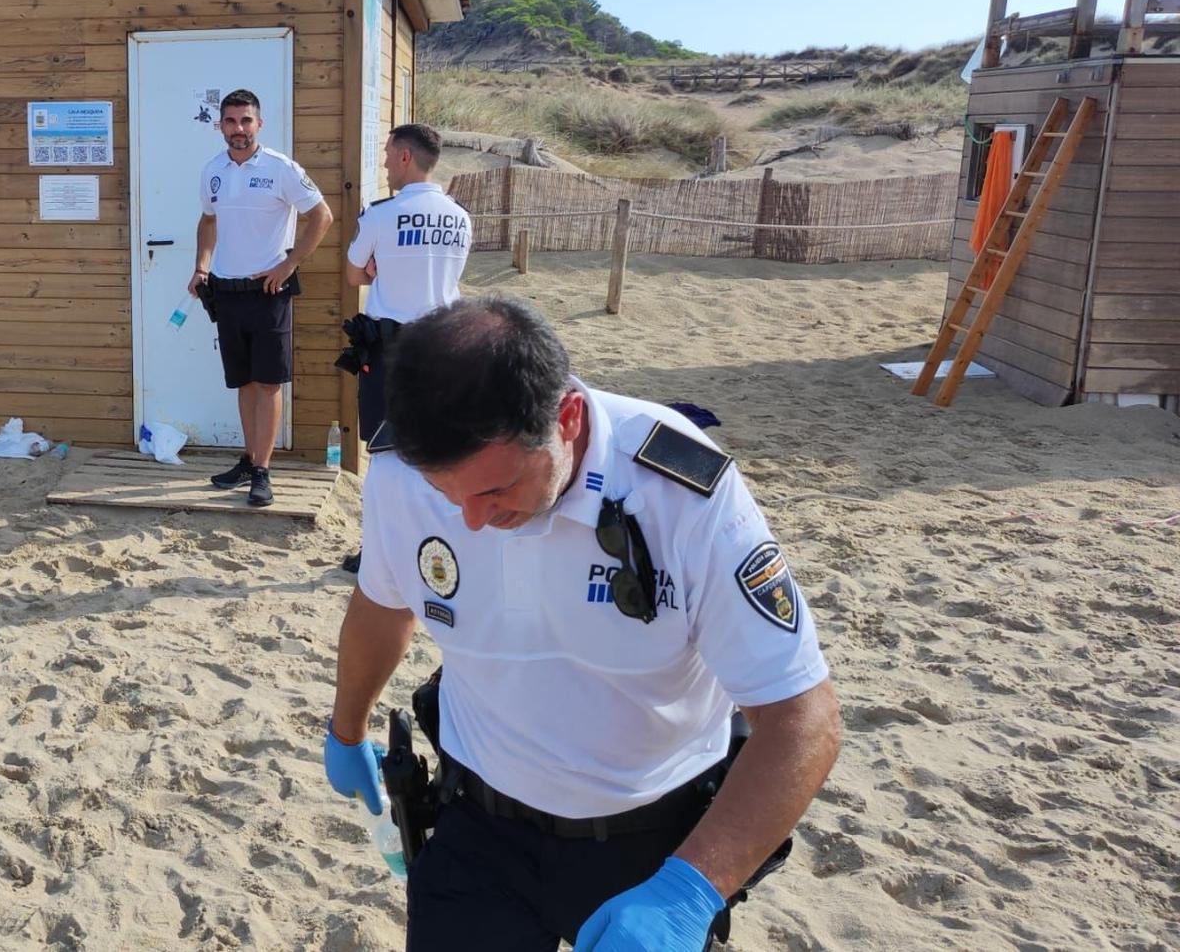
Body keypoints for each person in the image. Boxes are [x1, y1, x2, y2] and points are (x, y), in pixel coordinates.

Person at [323, 295, 841, 950]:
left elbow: (805, 717)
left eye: (495, 489)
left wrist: (689, 890)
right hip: (479, 830)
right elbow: (384, 601)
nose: (473, 519)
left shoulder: (678, 493)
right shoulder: (402, 474)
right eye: (449, 495)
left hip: (653, 843)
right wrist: (346, 728)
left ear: (566, 418)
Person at [186, 89, 333, 507]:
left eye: (246, 120)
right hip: (228, 291)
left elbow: (321, 216)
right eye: (230, 121)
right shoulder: (212, 170)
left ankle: (264, 472)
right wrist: (201, 266)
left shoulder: (281, 168)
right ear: (220, 126)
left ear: (259, 123)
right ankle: (250, 460)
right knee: (244, 381)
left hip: (269, 292)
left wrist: (289, 264)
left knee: (268, 384)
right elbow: (208, 220)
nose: (238, 129)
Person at [339, 123, 471, 571]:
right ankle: (434, 543)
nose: (383, 162)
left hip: (392, 349)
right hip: (444, 344)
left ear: (404, 158)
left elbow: (355, 275)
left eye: (387, 151)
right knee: (435, 448)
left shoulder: (380, 214)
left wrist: (380, 269)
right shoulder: (459, 215)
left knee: (384, 452)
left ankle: (378, 550)